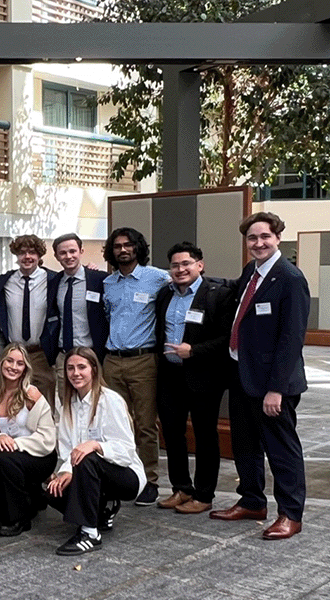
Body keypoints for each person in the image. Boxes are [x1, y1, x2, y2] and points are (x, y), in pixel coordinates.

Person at [210, 212, 310, 540]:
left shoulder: (290, 278)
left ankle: (290, 514)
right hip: (242, 374)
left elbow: (291, 339)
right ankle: (252, 501)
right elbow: (238, 298)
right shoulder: (251, 272)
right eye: (252, 238)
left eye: (265, 237)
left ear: (278, 237)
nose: (258, 243)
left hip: (272, 384)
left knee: (281, 449)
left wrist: (276, 390)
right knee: (245, 444)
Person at [155, 242, 234, 513]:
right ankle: (181, 489)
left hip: (202, 376)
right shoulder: (166, 295)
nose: (180, 269)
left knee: (204, 436)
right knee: (173, 435)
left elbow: (227, 338)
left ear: (199, 265)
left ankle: (204, 494)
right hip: (170, 376)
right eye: (175, 265)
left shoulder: (216, 295)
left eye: (186, 263)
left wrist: (195, 351)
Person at [47, 347, 146, 556]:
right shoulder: (67, 406)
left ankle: (90, 533)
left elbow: (126, 451)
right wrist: (66, 473)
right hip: (89, 472)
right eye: (70, 368)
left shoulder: (110, 400)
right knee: (53, 490)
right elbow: (67, 452)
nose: (76, 373)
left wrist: (96, 445)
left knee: (87, 457)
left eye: (82, 367)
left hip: (126, 476)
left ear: (94, 369)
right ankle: (102, 509)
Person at [101, 227, 170, 506]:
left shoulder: (158, 278)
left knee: (144, 425)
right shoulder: (108, 284)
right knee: (114, 423)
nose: (123, 250)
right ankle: (119, 477)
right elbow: (107, 316)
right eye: (117, 246)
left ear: (138, 248)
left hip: (144, 361)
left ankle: (149, 481)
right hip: (112, 361)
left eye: (128, 245)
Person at [0, 344, 57, 537]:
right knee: (3, 458)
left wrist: (16, 444)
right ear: (1, 362)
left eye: (20, 363)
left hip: (40, 457)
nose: (13, 367)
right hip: (8, 458)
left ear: (25, 369)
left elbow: (47, 437)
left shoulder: (32, 394)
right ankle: (31, 499)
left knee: (6, 458)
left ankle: (15, 518)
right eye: (9, 361)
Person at [0, 235, 57, 411]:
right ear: (16, 255)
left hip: (41, 355)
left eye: (32, 252)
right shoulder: (4, 281)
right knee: (13, 407)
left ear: (40, 255)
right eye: (22, 253)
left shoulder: (53, 280)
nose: (27, 257)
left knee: (44, 409)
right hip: (13, 354)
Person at [48, 233, 109, 410]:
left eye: (73, 251)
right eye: (63, 253)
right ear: (56, 256)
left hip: (92, 355)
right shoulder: (54, 282)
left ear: (81, 251)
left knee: (96, 406)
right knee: (68, 407)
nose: (69, 256)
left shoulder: (99, 280)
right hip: (64, 356)